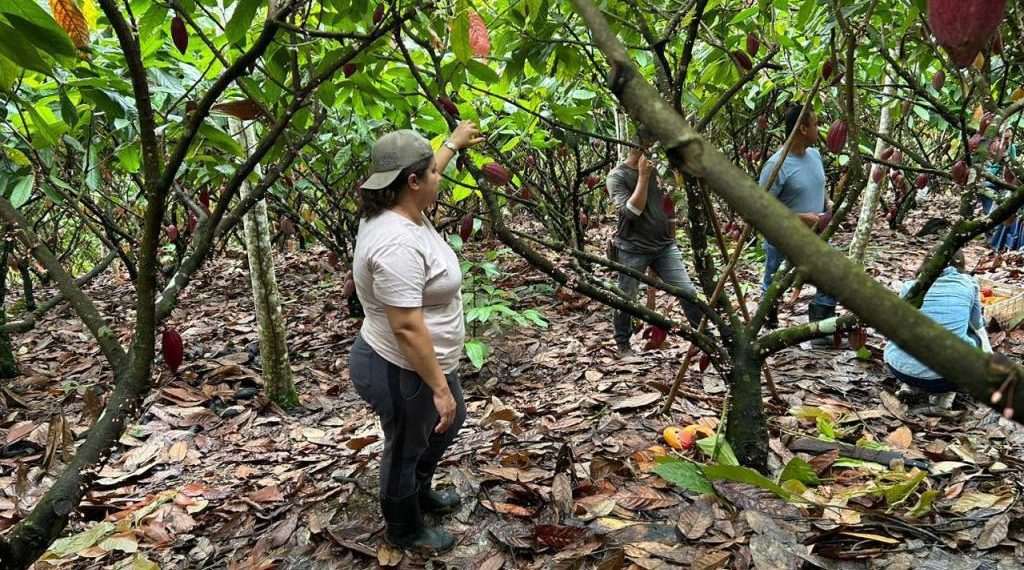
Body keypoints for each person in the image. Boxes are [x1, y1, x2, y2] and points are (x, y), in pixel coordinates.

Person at [348, 121, 483, 553]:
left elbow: (425, 172)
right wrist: (439, 389)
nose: (438, 179)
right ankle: (404, 528)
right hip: (399, 366)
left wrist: (451, 145)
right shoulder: (397, 243)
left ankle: (418, 490)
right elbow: (406, 326)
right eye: (433, 174)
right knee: (407, 446)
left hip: (421, 363)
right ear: (412, 182)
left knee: (449, 421)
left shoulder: (398, 208)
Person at [606, 127, 703, 357]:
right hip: (632, 248)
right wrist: (642, 177)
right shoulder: (617, 177)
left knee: (687, 291)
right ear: (642, 148)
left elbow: (669, 203)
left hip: (664, 246)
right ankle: (622, 344)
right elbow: (631, 212)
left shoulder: (659, 172)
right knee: (626, 298)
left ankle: (704, 339)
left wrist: (672, 229)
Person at [759, 104, 836, 335]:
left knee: (829, 279)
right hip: (785, 239)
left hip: (816, 235)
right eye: (815, 124)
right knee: (775, 285)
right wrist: (801, 217)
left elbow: (818, 186)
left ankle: (821, 333)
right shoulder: (776, 165)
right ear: (802, 128)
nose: (819, 129)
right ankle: (767, 327)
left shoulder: (815, 155)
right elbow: (762, 209)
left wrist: (828, 203)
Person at [883, 250, 989, 408]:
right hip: (945, 378)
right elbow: (977, 324)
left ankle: (910, 385)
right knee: (972, 337)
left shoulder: (909, 287)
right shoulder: (968, 284)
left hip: (898, 368)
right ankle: (945, 395)